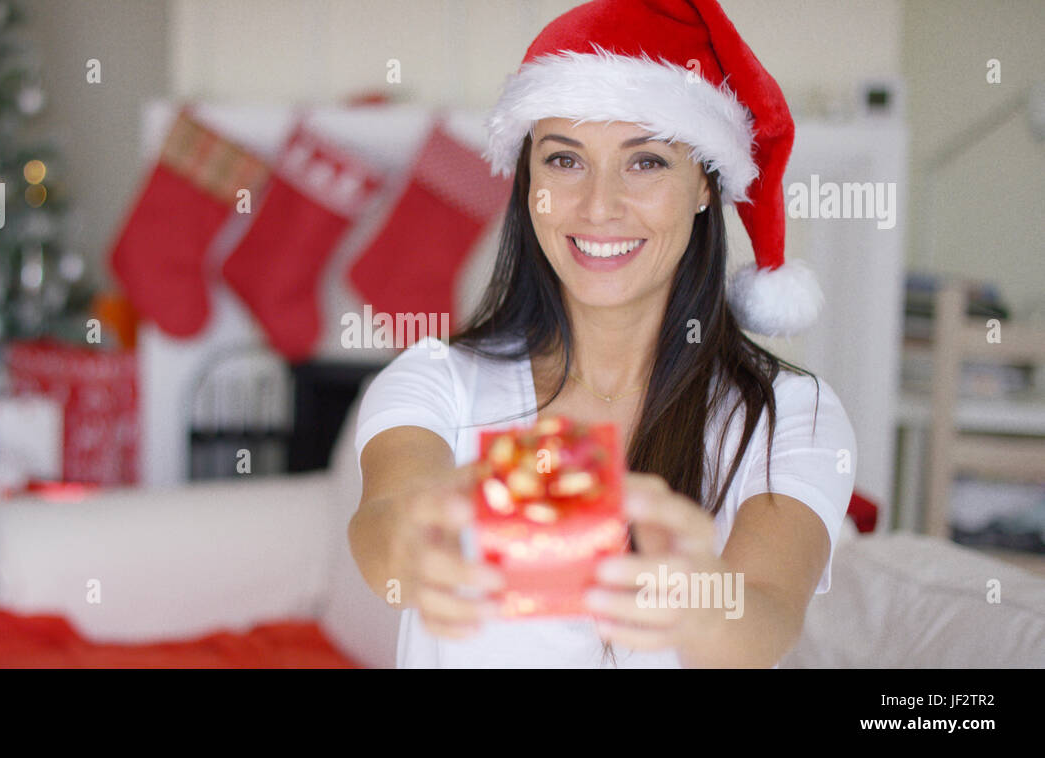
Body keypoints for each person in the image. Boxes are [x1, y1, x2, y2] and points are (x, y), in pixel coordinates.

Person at [346, 0, 857, 668]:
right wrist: (415, 545)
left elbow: (763, 620)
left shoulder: (790, 412)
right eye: (565, 160)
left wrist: (698, 594)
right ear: (529, 182)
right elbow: (383, 520)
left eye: (645, 162)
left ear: (705, 182)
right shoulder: (437, 377)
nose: (599, 205)